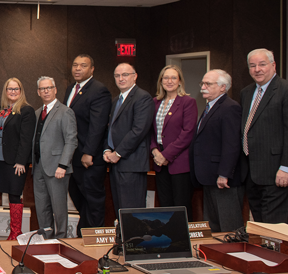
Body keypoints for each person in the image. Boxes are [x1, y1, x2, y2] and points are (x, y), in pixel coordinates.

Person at [61, 54, 112, 232]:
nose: (77, 69)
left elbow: (97, 126)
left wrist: (89, 152)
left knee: (93, 200)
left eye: (83, 66)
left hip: (88, 158)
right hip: (73, 157)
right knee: (78, 197)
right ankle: (84, 234)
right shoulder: (70, 89)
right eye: (75, 65)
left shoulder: (99, 90)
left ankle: (95, 237)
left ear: (92, 69)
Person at [190, 70, 245, 233]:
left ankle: (233, 257)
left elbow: (232, 144)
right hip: (209, 176)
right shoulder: (209, 107)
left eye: (208, 84)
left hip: (223, 179)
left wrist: (224, 174)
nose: (203, 87)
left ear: (223, 87)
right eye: (202, 83)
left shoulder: (230, 108)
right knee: (213, 226)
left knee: (229, 227)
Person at [240, 48, 288, 225]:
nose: (257, 69)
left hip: (276, 172)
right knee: (258, 225)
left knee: (273, 227)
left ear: (273, 65)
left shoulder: (284, 90)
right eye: (252, 66)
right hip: (251, 172)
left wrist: (286, 167)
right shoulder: (246, 92)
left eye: (262, 64)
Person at [103, 63, 154, 213]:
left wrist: (117, 153)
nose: (121, 79)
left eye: (125, 75)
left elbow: (138, 130)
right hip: (115, 164)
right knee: (120, 210)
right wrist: (107, 149)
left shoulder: (143, 98)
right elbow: (109, 129)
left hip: (132, 163)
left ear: (135, 76)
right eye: (117, 76)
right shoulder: (115, 101)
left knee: (132, 212)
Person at [32, 77, 78, 238]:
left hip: (57, 168)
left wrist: (63, 165)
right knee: (41, 207)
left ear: (55, 89)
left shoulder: (65, 112)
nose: (46, 91)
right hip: (38, 167)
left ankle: (61, 240)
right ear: (38, 92)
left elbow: (71, 140)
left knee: (59, 208)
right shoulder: (37, 113)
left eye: (49, 87)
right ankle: (46, 239)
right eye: (42, 89)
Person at [150, 65, 197, 213]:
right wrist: (155, 151)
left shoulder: (187, 102)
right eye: (166, 78)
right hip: (158, 161)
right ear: (160, 81)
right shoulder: (155, 102)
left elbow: (187, 133)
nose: (169, 81)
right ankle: (168, 236)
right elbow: (150, 131)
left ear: (180, 81)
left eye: (173, 78)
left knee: (181, 206)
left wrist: (166, 155)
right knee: (165, 205)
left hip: (179, 162)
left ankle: (182, 236)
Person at [0, 78, 36, 240]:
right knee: (9, 193)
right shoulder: (5, 109)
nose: (12, 92)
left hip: (16, 162)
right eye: (9, 89)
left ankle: (16, 232)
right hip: (2, 159)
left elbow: (26, 139)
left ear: (21, 91)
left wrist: (21, 161)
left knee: (15, 194)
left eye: (16, 89)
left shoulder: (26, 110)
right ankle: (13, 231)